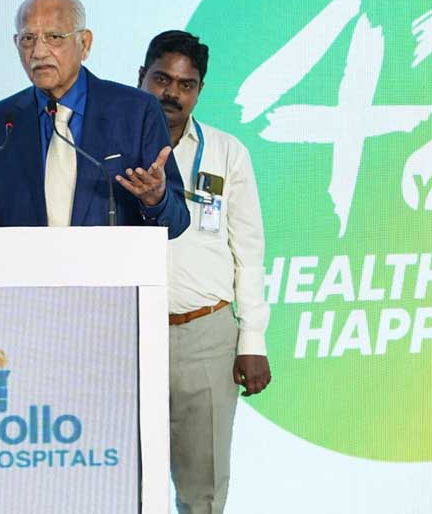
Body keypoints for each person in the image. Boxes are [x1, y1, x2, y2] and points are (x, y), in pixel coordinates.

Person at [0, 0, 188, 236]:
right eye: (28, 39)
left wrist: (156, 199)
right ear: (16, 43)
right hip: (28, 280)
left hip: (109, 279)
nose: (39, 52)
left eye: (54, 37)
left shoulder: (136, 111)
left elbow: (177, 222)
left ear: (85, 43)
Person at [138, 30, 270, 514]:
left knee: (204, 491)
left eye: (186, 85)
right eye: (162, 79)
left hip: (207, 334)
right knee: (124, 479)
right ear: (141, 77)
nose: (172, 94)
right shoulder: (112, 147)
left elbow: (248, 249)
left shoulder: (226, 152)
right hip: (130, 332)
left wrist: (252, 340)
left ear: (198, 90)